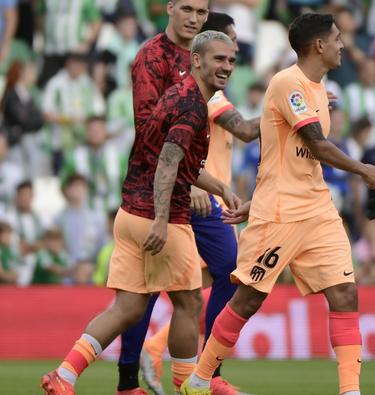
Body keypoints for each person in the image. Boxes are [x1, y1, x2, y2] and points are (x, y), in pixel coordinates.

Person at [181, 13, 375, 395]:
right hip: (281, 213)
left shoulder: (318, 88)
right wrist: (362, 170)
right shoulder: (287, 83)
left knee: (345, 292)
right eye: (337, 38)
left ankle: (350, 391)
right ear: (319, 45)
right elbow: (317, 145)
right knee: (249, 298)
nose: (342, 45)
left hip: (317, 208)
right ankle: (200, 379)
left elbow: (288, 158)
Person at [39, 30, 238, 395]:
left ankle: (63, 376)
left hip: (130, 212)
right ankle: (189, 385)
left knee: (128, 307)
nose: (226, 66)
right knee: (189, 302)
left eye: (231, 60)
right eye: (218, 59)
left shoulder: (177, 96)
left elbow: (178, 160)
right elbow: (168, 163)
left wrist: (222, 188)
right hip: (162, 216)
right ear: (196, 60)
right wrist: (162, 220)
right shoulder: (193, 106)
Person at [137, 12, 260, 395]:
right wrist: (292, 107)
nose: (232, 55)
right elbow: (244, 130)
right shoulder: (206, 96)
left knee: (197, 283)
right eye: (227, 47)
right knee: (217, 277)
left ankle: (164, 354)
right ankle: (194, 372)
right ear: (207, 50)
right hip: (196, 198)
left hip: (210, 193)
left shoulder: (208, 92)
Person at [115, 1, 209, 394]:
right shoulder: (151, 58)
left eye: (201, 12)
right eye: (186, 8)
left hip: (192, 188)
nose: (193, 17)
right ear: (169, 7)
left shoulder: (203, 57)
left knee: (223, 272)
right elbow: (150, 132)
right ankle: (139, 380)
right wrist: (193, 179)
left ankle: (196, 377)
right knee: (146, 297)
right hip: (157, 193)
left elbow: (213, 118)